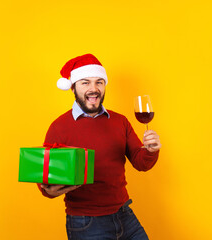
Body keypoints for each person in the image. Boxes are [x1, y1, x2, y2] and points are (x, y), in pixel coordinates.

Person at [38, 54, 161, 240]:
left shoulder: (120, 121)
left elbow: (140, 162)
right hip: (86, 222)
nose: (93, 89)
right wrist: (48, 190)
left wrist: (151, 150)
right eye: (85, 83)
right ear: (73, 87)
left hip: (124, 214)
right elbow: (47, 181)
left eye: (99, 82)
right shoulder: (59, 127)